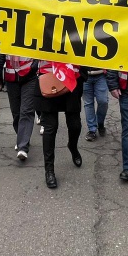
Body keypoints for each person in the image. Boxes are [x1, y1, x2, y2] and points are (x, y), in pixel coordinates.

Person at [34, 61, 85, 189]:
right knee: (50, 128)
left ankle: (72, 146)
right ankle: (49, 170)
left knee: (75, 125)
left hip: (71, 76)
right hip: (48, 77)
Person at [4, 55, 39, 161]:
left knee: (27, 111)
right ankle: (22, 138)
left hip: (29, 77)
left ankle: (23, 146)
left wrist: (34, 66)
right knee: (16, 113)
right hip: (11, 78)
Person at [83, 66, 108, 141]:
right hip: (85, 75)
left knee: (103, 101)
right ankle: (92, 130)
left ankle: (100, 123)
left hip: (101, 75)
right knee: (88, 103)